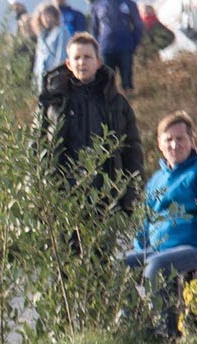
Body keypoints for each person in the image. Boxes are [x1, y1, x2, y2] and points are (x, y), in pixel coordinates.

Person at [123, 112, 197, 337]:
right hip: (158, 248)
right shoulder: (156, 180)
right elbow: (144, 220)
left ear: (191, 140)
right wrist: (140, 250)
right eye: (168, 139)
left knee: (156, 267)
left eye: (180, 139)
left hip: (193, 247)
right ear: (160, 144)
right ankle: (132, 329)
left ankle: (167, 334)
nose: (174, 144)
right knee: (122, 266)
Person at [38, 32, 144, 226]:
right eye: (76, 58)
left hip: (107, 203)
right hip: (64, 203)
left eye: (87, 57)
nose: (82, 62)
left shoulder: (117, 104)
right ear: (68, 64)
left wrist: (131, 197)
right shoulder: (53, 104)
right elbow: (38, 147)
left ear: (98, 62)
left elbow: (133, 152)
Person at [89, 0, 143, 91]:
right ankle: (110, 103)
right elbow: (94, 29)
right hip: (106, 49)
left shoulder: (129, 4)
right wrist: (97, 47)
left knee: (127, 82)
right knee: (107, 83)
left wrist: (134, 43)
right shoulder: (98, 5)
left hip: (125, 47)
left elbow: (138, 25)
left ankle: (129, 101)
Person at [34, 4, 72, 91]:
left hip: (55, 77)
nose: (47, 19)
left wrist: (56, 74)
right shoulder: (41, 36)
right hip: (42, 77)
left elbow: (62, 55)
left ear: (55, 16)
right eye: (44, 16)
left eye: (49, 15)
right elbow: (38, 59)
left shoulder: (62, 31)